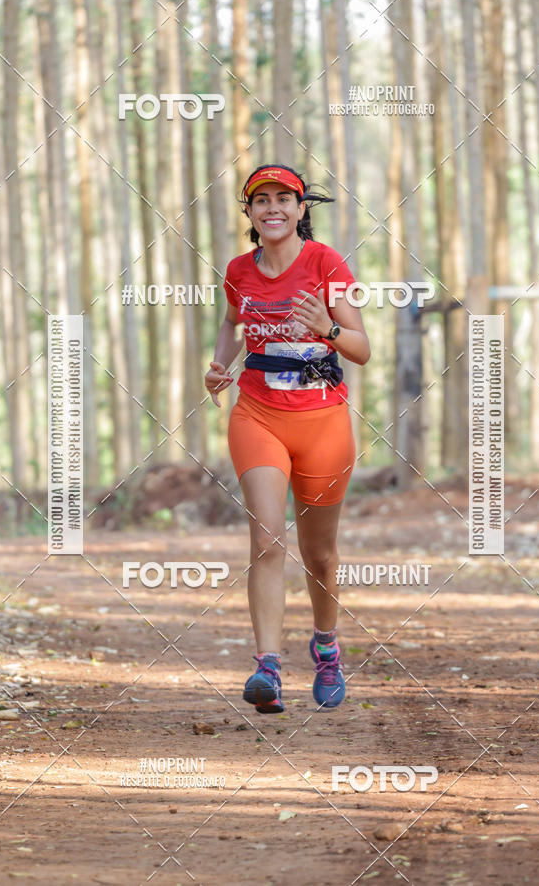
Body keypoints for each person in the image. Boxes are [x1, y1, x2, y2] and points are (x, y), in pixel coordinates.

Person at [204, 163, 370, 713]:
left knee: (318, 554)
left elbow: (362, 349)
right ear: (249, 213)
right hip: (258, 415)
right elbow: (230, 324)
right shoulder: (237, 270)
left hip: (322, 419)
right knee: (267, 538)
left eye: (284, 199)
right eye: (261, 200)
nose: (272, 208)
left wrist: (328, 326)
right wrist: (218, 364)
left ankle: (326, 648)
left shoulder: (327, 263)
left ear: (302, 210)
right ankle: (267, 668)